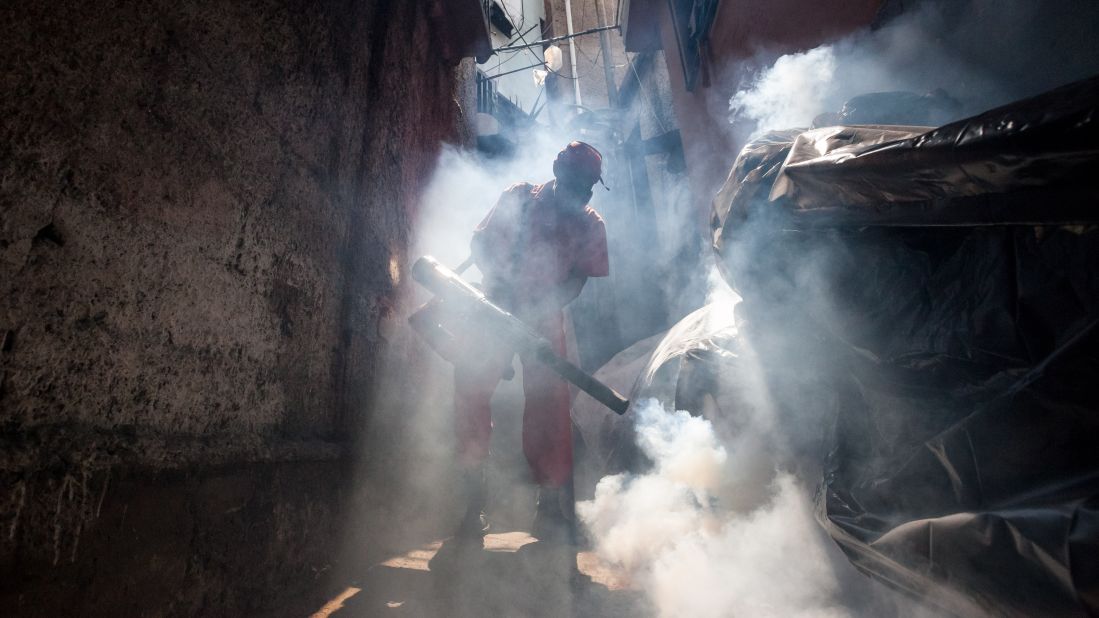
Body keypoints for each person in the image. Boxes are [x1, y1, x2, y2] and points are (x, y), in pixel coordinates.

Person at [450, 141, 610, 547]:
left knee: (549, 404)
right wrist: (502, 285)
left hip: (543, 318)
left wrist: (543, 302)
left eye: (589, 186)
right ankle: (472, 505)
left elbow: (578, 280)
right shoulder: (519, 197)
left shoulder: (591, 224)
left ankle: (549, 506)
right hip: (495, 306)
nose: (583, 192)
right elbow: (480, 245)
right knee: (471, 390)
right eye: (577, 182)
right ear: (558, 172)